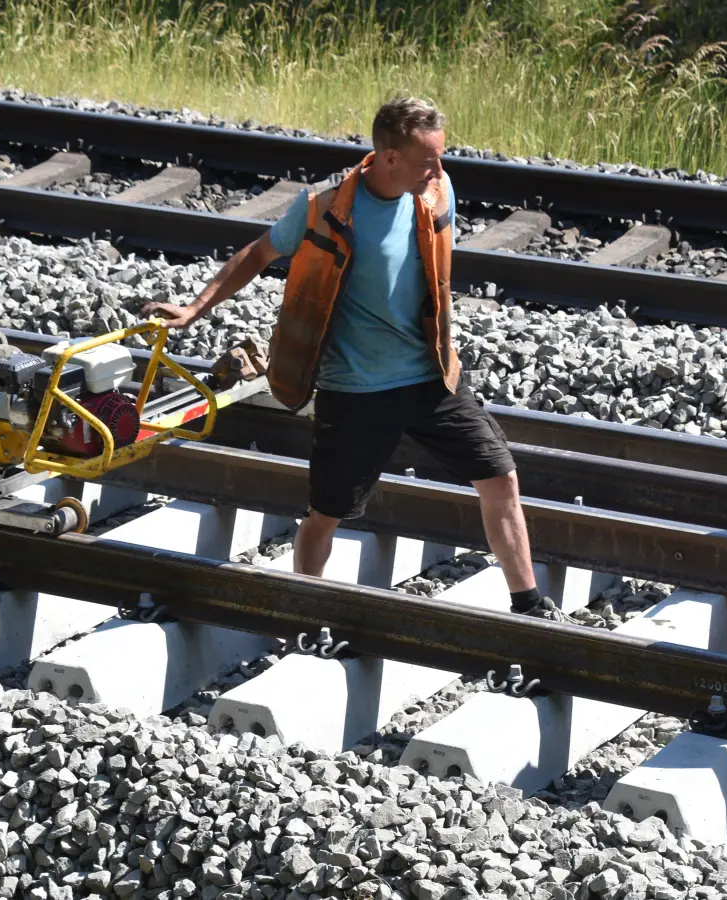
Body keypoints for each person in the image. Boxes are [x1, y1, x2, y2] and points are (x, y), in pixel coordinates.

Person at [143, 97, 572, 622]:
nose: (438, 168)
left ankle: (528, 604)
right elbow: (257, 254)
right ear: (388, 157)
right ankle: (304, 606)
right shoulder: (324, 209)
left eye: (440, 157)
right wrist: (194, 308)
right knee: (326, 514)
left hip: (430, 374)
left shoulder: (436, 192)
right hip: (356, 389)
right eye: (427, 159)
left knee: (499, 476)